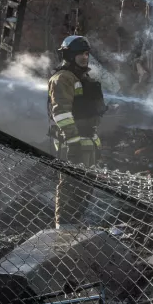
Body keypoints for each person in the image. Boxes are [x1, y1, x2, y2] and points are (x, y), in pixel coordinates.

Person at [48, 35, 106, 227]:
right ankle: (63, 226)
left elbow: (85, 108)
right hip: (72, 142)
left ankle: (75, 222)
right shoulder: (62, 78)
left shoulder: (83, 77)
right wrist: (73, 142)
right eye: (79, 53)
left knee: (86, 186)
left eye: (86, 53)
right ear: (68, 55)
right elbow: (61, 113)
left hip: (88, 141)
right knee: (70, 185)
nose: (84, 57)